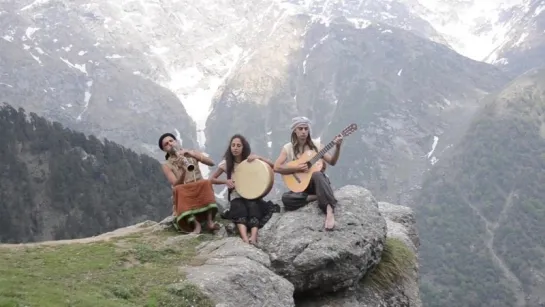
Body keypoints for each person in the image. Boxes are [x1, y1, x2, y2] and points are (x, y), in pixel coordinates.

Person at [273, 116, 343, 230]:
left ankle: (329, 211)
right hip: (302, 187)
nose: (303, 132)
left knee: (317, 174)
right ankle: (319, 196)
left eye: (306, 128)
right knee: (286, 198)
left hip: (317, 183)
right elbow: (276, 167)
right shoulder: (288, 148)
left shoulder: (316, 145)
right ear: (295, 130)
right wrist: (296, 169)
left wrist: (338, 147)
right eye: (300, 129)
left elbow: (332, 161)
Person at [210, 134, 276, 244]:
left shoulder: (250, 160)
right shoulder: (226, 163)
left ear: (243, 147)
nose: (235, 148)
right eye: (233, 145)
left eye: (238, 145)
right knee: (240, 209)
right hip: (236, 195)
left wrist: (259, 158)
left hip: (252, 194)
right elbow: (211, 179)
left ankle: (253, 237)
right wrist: (225, 181)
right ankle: (245, 238)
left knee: (253, 208)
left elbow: (272, 166)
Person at [159, 132, 220, 234]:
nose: (170, 144)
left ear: (176, 142)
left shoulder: (190, 153)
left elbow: (211, 163)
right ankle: (196, 224)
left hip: (199, 186)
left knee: (206, 182)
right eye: (166, 144)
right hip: (185, 190)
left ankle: (210, 222)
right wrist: (183, 171)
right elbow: (175, 184)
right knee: (178, 189)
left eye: (171, 141)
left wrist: (192, 154)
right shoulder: (167, 165)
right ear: (164, 150)